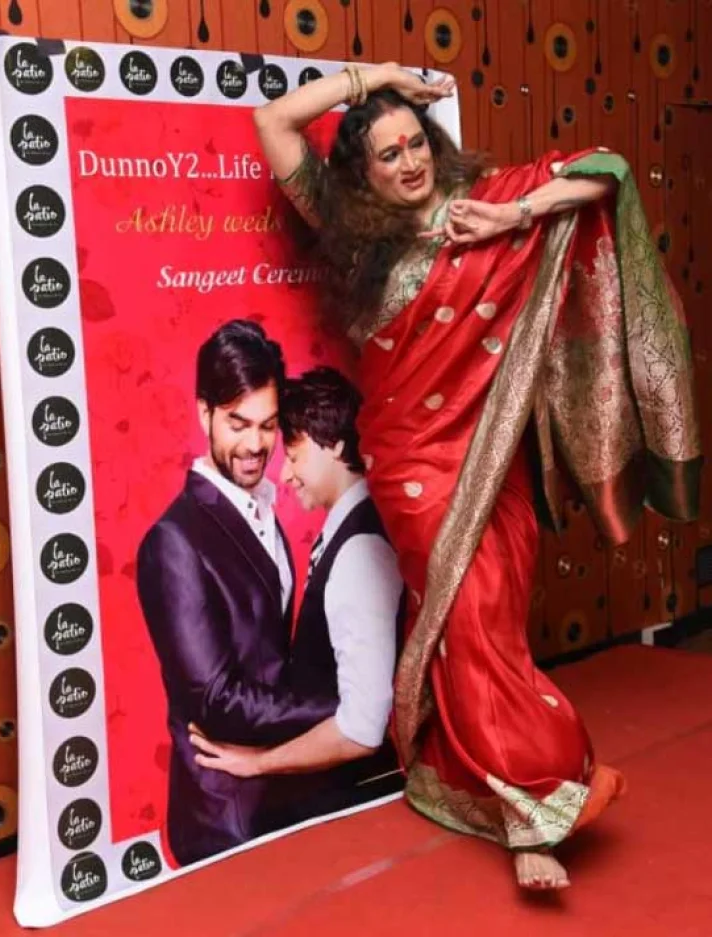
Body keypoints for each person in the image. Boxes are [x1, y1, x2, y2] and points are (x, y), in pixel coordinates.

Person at [250, 62, 702, 889]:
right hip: (412, 461)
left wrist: (513, 214)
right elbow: (273, 121)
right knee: (473, 617)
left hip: (492, 453)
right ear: (362, 174)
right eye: (387, 155)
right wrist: (376, 77)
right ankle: (535, 801)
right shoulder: (354, 235)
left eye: (415, 143)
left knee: (486, 623)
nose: (409, 163)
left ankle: (461, 774)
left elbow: (606, 172)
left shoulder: (486, 202)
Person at [136, 320, 338, 866]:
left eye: (268, 426)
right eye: (238, 423)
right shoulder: (174, 541)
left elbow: (271, 654)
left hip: (285, 791)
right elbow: (217, 701)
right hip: (224, 816)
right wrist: (347, 707)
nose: (255, 445)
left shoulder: (263, 507)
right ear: (204, 413)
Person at [190, 366, 405, 808]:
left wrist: (259, 763)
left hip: (352, 799)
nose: (285, 475)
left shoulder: (359, 551)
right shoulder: (349, 530)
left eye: (294, 454)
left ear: (336, 445)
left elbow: (362, 729)